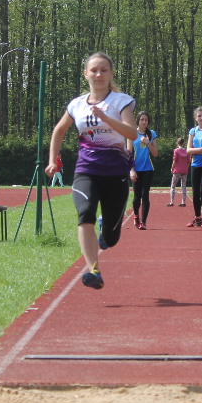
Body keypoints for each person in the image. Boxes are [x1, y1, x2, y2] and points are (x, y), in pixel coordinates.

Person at [46, 51, 138, 289]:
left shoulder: (121, 101)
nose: (99, 74)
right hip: (86, 171)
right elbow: (59, 130)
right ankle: (93, 270)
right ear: (85, 74)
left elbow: (132, 133)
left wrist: (106, 118)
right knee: (84, 212)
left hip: (116, 174)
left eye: (103, 70)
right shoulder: (76, 104)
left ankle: (104, 230)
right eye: (94, 70)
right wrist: (53, 160)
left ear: (111, 74)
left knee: (111, 238)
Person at [128, 110, 158, 230]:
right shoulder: (131, 133)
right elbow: (128, 153)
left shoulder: (152, 134)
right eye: (142, 119)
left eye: (146, 120)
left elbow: (155, 153)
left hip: (148, 169)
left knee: (145, 194)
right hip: (136, 169)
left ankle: (143, 222)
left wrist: (148, 143)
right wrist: (131, 170)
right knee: (137, 197)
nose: (144, 122)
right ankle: (136, 215)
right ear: (138, 121)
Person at [169, 137, 189, 207]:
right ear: (184, 143)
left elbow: (174, 161)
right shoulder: (187, 151)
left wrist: (172, 168)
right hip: (184, 170)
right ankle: (183, 201)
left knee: (173, 186)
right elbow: (188, 162)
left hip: (177, 170)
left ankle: (172, 201)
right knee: (183, 186)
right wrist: (186, 168)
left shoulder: (176, 151)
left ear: (177, 143)